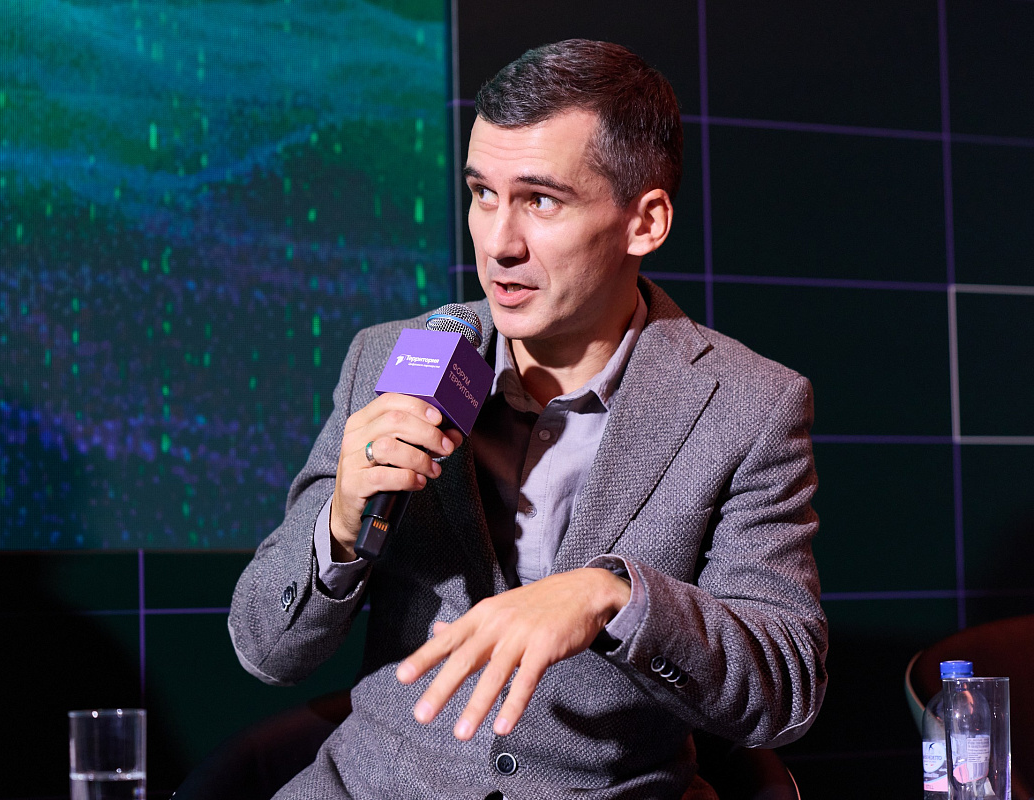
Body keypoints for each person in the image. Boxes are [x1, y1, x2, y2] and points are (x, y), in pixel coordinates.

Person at [229, 39, 827, 799]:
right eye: (483, 194)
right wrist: (340, 526)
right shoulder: (391, 358)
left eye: (541, 200)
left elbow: (783, 688)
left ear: (645, 222)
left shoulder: (749, 405)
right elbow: (266, 647)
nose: (498, 243)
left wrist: (614, 597)